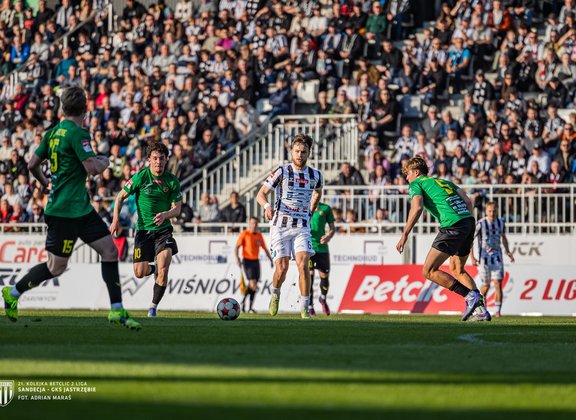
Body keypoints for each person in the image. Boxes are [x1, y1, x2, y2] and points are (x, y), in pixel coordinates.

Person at [1, 87, 141, 330]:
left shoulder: (53, 133)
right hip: (64, 212)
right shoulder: (78, 133)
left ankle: (116, 309)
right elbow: (93, 168)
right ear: (85, 109)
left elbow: (32, 164)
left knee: (109, 250)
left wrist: (45, 183)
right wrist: (105, 161)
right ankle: (13, 292)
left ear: (62, 108)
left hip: (80, 209)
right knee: (56, 267)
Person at [396, 156, 490, 322]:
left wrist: (405, 234)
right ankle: (480, 310)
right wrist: (465, 226)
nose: (406, 178)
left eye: (407, 173)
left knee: (429, 270)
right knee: (458, 269)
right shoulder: (444, 182)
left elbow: (417, 207)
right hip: (468, 221)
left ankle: (470, 296)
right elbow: (468, 202)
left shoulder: (416, 184)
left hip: (452, 225)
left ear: (416, 172)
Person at [110, 141, 182, 318]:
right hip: (143, 232)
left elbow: (177, 209)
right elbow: (120, 197)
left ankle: (152, 308)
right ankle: (154, 269)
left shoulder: (172, 181)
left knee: (164, 267)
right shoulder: (141, 177)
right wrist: (115, 220)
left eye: (162, 158)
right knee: (139, 272)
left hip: (163, 231)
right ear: (149, 159)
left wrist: (165, 214)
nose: (158, 162)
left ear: (166, 160)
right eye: (155, 158)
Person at [256, 134, 323, 319]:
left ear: (309, 153)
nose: (300, 155)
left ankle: (305, 307)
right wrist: (267, 206)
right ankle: (275, 294)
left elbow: (318, 193)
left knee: (303, 265)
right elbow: (261, 194)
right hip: (280, 226)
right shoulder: (282, 171)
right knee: (282, 268)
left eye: (303, 152)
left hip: (302, 227)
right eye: (297, 151)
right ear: (291, 152)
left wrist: (311, 210)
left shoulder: (316, 175)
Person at [470, 202, 514, 318]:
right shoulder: (481, 223)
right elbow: (471, 240)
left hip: (497, 257)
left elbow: (503, 237)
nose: (492, 213)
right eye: (490, 211)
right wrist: (472, 257)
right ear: (486, 211)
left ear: (497, 211)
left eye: (494, 211)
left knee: (498, 283)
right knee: (486, 285)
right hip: (484, 259)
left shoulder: (500, 222)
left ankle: (498, 311)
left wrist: (508, 251)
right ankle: (482, 308)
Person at [235, 217, 273, 313]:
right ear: (249, 224)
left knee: (253, 286)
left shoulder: (259, 235)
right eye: (252, 223)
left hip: (256, 261)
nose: (254, 225)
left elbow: (265, 249)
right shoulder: (245, 234)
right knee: (253, 284)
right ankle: (246, 305)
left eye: (256, 223)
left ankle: (247, 305)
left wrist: (270, 260)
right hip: (247, 261)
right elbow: (236, 247)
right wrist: (237, 258)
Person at [308, 201, 336, 317]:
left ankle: (323, 298)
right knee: (309, 276)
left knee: (324, 277)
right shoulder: (303, 206)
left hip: (322, 248)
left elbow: (332, 228)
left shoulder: (325, 208)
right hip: (308, 248)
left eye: (316, 193)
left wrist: (328, 236)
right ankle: (310, 305)